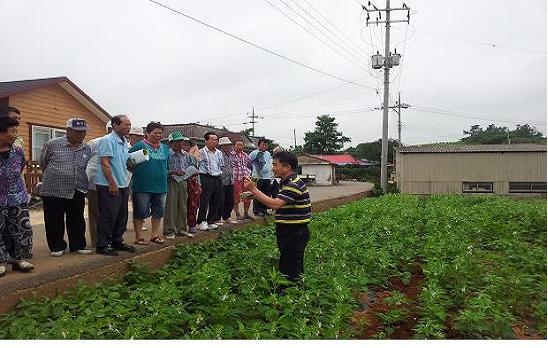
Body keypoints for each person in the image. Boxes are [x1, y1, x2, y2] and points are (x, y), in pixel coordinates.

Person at [244, 151, 311, 282]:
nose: (272, 168)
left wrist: (254, 190)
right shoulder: (288, 182)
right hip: (291, 230)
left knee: (290, 264)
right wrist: (255, 194)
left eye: (275, 165)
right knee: (290, 261)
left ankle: (290, 291)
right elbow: (280, 202)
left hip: (294, 231)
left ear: (287, 167)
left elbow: (275, 204)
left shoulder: (293, 184)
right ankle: (293, 288)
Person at [39, 118, 93, 256]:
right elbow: (43, 163)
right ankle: (57, 246)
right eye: (77, 132)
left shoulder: (86, 147)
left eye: (83, 132)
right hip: (54, 188)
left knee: (76, 218)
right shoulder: (53, 144)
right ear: (68, 131)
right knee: (53, 218)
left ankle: (78, 245)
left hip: (77, 187)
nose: (81, 135)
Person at [95, 115, 135, 256]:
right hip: (108, 184)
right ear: (115, 125)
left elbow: (125, 162)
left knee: (121, 215)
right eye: (125, 124)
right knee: (108, 215)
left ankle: (117, 241)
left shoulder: (125, 141)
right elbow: (105, 163)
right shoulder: (108, 140)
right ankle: (102, 244)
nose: (128, 127)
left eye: (129, 124)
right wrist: (112, 183)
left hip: (123, 183)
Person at [0, 117, 33, 276]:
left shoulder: (17, 151)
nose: (15, 135)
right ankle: (1, 261)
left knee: (22, 227)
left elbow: (19, 168)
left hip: (17, 196)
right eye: (12, 131)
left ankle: (19, 259)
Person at [129, 122, 170, 245]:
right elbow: (129, 165)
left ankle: (155, 235)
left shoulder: (165, 148)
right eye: (155, 133)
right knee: (140, 211)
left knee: (158, 212)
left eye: (160, 133)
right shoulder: (139, 146)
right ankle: (139, 237)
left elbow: (166, 166)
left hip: (161, 186)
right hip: (142, 186)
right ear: (147, 133)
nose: (158, 135)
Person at [85, 122, 113, 248]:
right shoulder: (95, 143)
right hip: (95, 184)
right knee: (96, 214)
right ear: (110, 129)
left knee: (111, 213)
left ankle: (109, 239)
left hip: (113, 184)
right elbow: (84, 162)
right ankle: (97, 242)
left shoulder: (122, 144)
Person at [163, 131, 194, 239]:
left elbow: (190, 166)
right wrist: (173, 172)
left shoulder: (186, 155)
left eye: (181, 141)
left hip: (183, 182)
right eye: (177, 142)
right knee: (171, 207)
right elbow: (163, 170)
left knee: (183, 206)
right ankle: (169, 230)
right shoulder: (167, 155)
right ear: (170, 143)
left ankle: (181, 229)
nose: (180, 144)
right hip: (171, 182)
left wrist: (192, 172)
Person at [197, 132, 224, 231]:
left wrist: (219, 174)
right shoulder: (201, 152)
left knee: (216, 199)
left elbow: (221, 165)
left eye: (216, 139)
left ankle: (211, 220)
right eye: (212, 139)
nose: (214, 141)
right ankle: (201, 221)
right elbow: (197, 165)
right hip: (206, 177)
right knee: (205, 200)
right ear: (206, 141)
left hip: (217, 177)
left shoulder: (219, 153)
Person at [249, 138, 274, 217]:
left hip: (267, 177)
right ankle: (257, 210)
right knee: (257, 194)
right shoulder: (253, 153)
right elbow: (248, 163)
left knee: (266, 193)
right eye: (263, 144)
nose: (265, 146)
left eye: (266, 145)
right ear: (259, 145)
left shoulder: (268, 154)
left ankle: (264, 210)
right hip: (257, 177)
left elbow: (269, 164)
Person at [182, 139, 201, 236]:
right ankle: (181, 225)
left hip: (193, 183)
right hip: (181, 182)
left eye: (187, 144)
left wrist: (199, 184)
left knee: (193, 204)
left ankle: (192, 224)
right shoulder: (177, 156)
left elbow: (197, 171)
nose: (185, 146)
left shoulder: (193, 157)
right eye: (183, 143)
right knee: (182, 205)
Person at [217, 136, 238, 225]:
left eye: (228, 145)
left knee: (230, 200)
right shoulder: (218, 154)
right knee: (220, 200)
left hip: (230, 180)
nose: (227, 147)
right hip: (222, 180)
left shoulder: (231, 155)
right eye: (225, 145)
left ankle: (227, 216)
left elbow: (232, 166)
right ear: (221, 146)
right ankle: (217, 218)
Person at [231, 139, 253, 220]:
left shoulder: (245, 155)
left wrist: (249, 173)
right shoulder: (231, 155)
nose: (240, 146)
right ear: (234, 145)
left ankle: (246, 213)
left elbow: (250, 165)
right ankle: (237, 214)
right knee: (236, 197)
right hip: (236, 178)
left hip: (246, 179)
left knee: (248, 196)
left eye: (241, 145)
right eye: (238, 144)